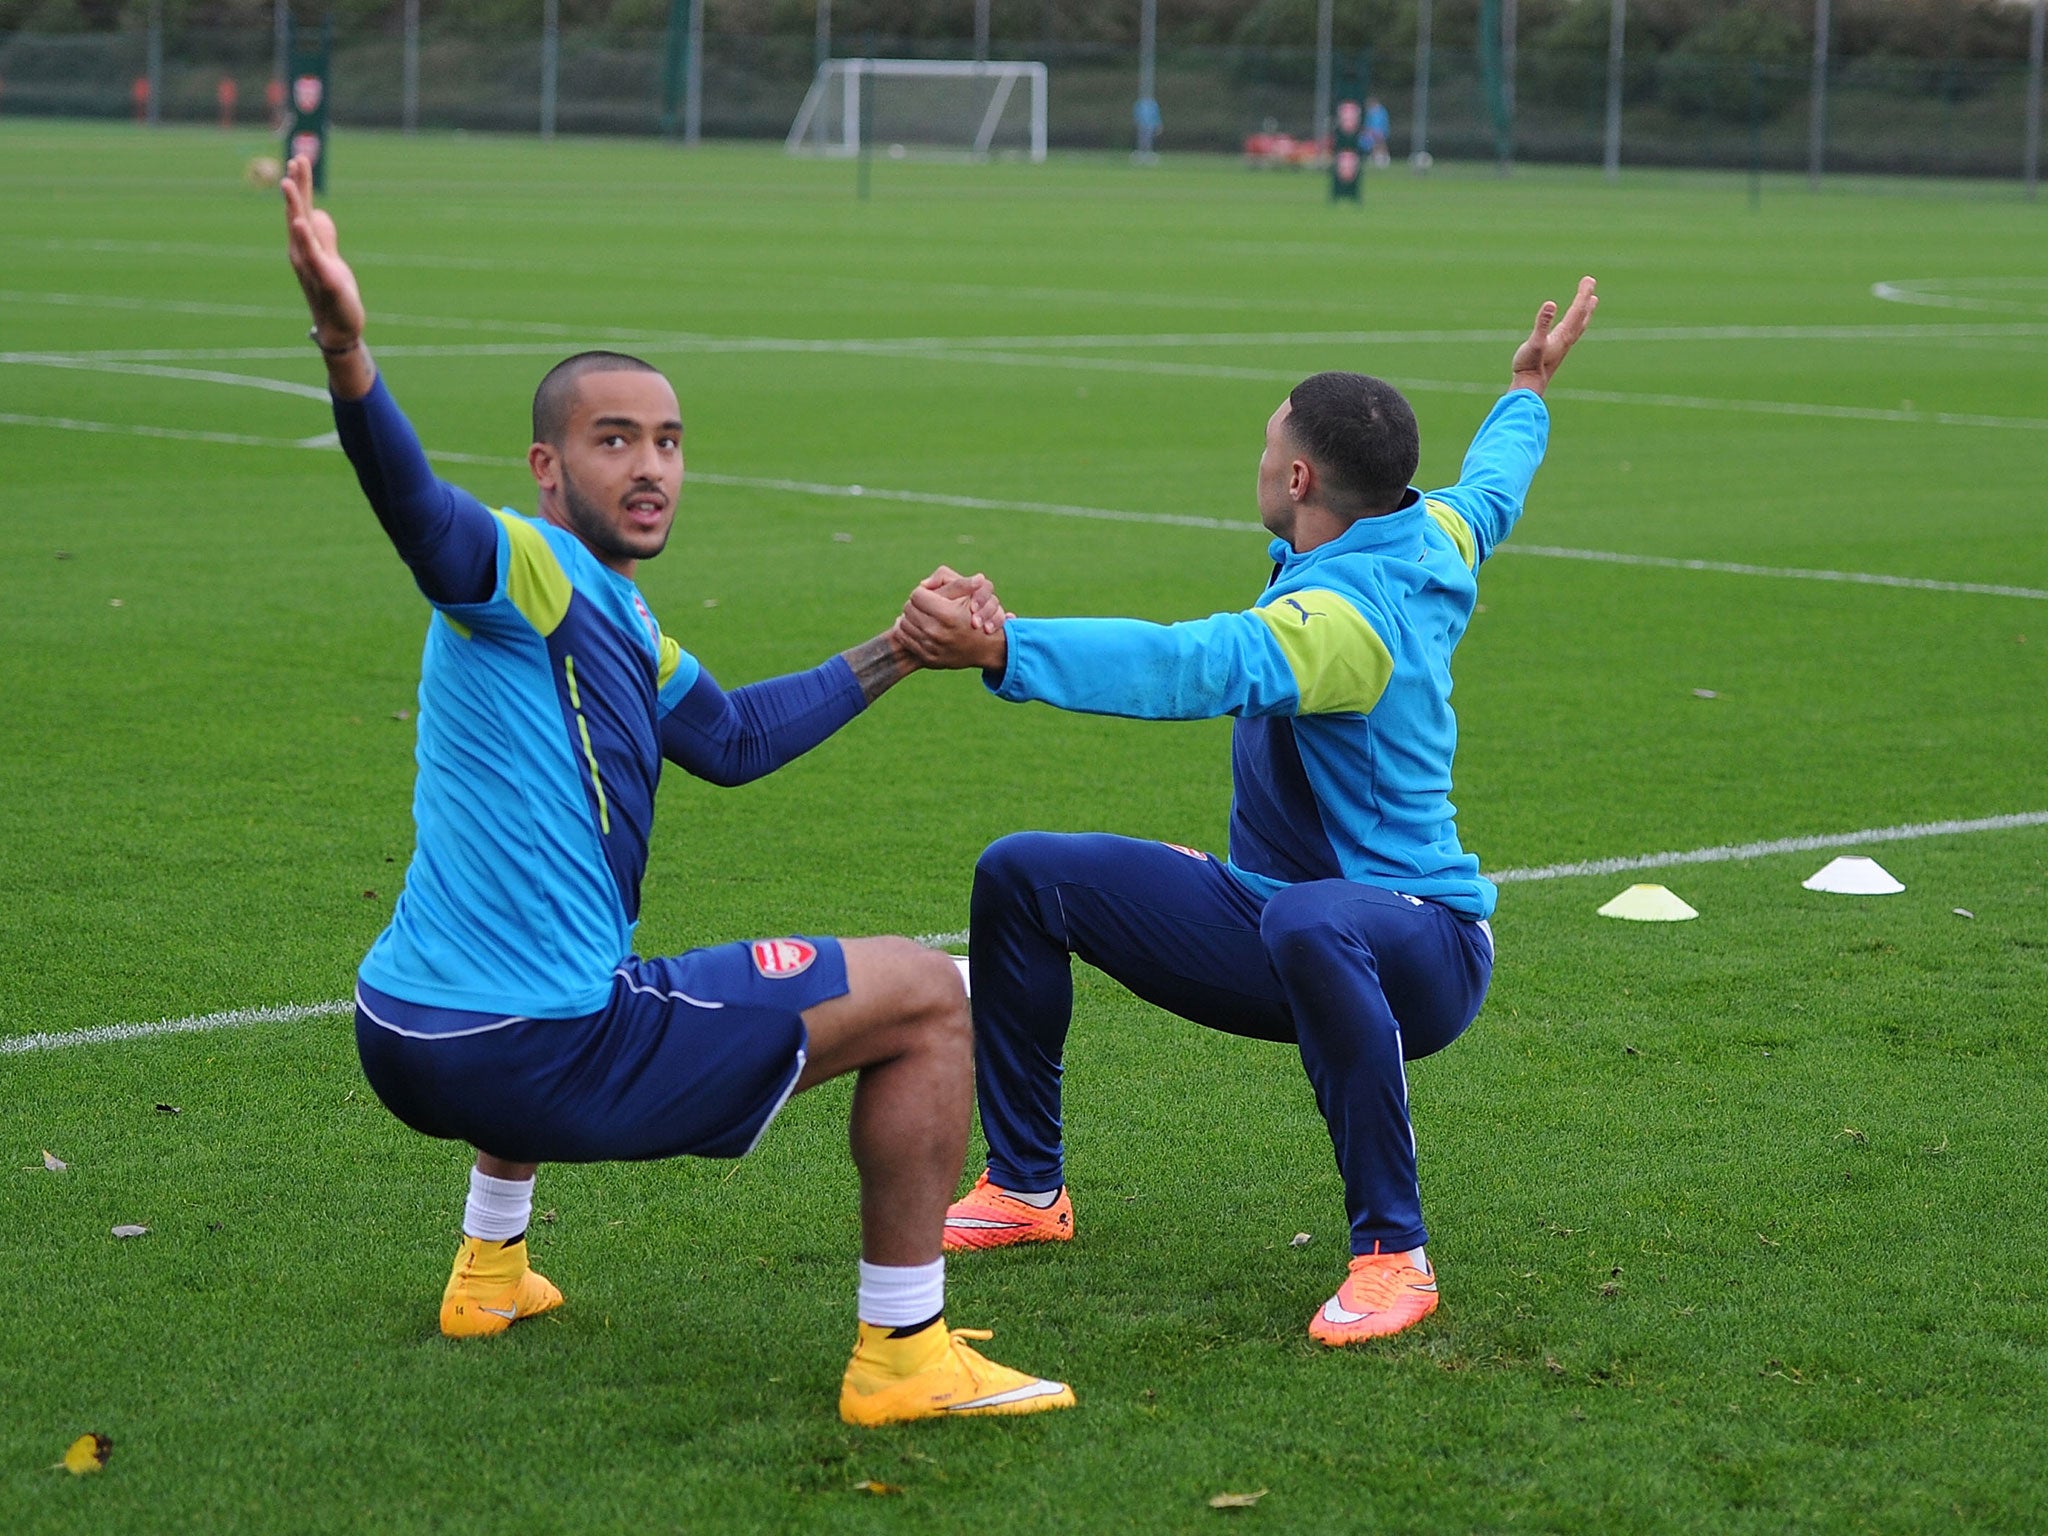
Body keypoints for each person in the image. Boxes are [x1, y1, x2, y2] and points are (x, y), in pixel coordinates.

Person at [278, 157, 1073, 1426]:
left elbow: (735, 738)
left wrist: (899, 650)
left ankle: (488, 1268)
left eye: (666, 443)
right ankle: (904, 1354)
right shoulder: (525, 569)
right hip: (521, 1051)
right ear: (546, 467)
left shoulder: (620, 613)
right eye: (613, 442)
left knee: (584, 951)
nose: (649, 467)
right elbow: (421, 518)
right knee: (926, 999)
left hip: (411, 1026)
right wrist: (346, 353)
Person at [898, 278, 1599, 1345]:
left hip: (1416, 948)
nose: (1261, 457)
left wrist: (1002, 647)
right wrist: (1524, 390)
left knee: (1312, 915)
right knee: (1021, 874)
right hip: (1277, 915)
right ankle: (1025, 1188)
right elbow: (1490, 489)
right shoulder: (1431, 530)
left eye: (1270, 443)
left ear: (1302, 476)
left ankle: (1391, 1258)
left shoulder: (1337, 621)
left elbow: (1192, 662)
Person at [1365, 96, 1392, 168]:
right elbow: (1368, 122)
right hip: (1372, 132)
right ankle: (1376, 158)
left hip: (1380, 131)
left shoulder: (1382, 111)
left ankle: (1385, 158)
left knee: (1381, 144)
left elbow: (1384, 122)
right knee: (1374, 145)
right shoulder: (1370, 112)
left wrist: (1383, 131)